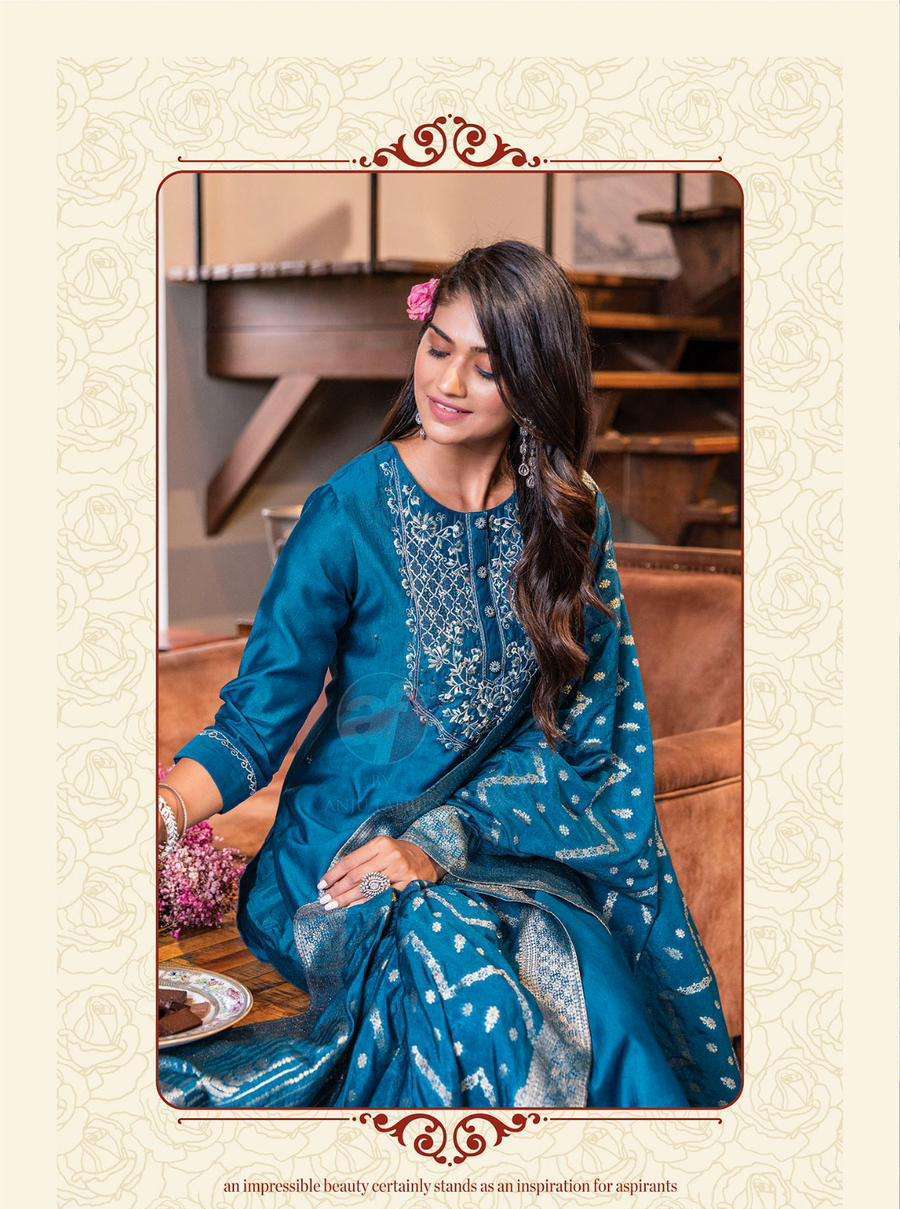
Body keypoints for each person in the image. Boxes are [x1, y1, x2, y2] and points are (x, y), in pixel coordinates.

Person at [157, 240, 741, 1109]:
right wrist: (160, 815)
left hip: (509, 844)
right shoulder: (347, 512)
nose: (450, 382)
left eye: (487, 367)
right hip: (344, 860)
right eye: (438, 347)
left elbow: (587, 737)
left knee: (605, 995)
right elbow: (255, 722)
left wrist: (443, 839)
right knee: (473, 989)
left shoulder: (571, 516)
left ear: (535, 383)